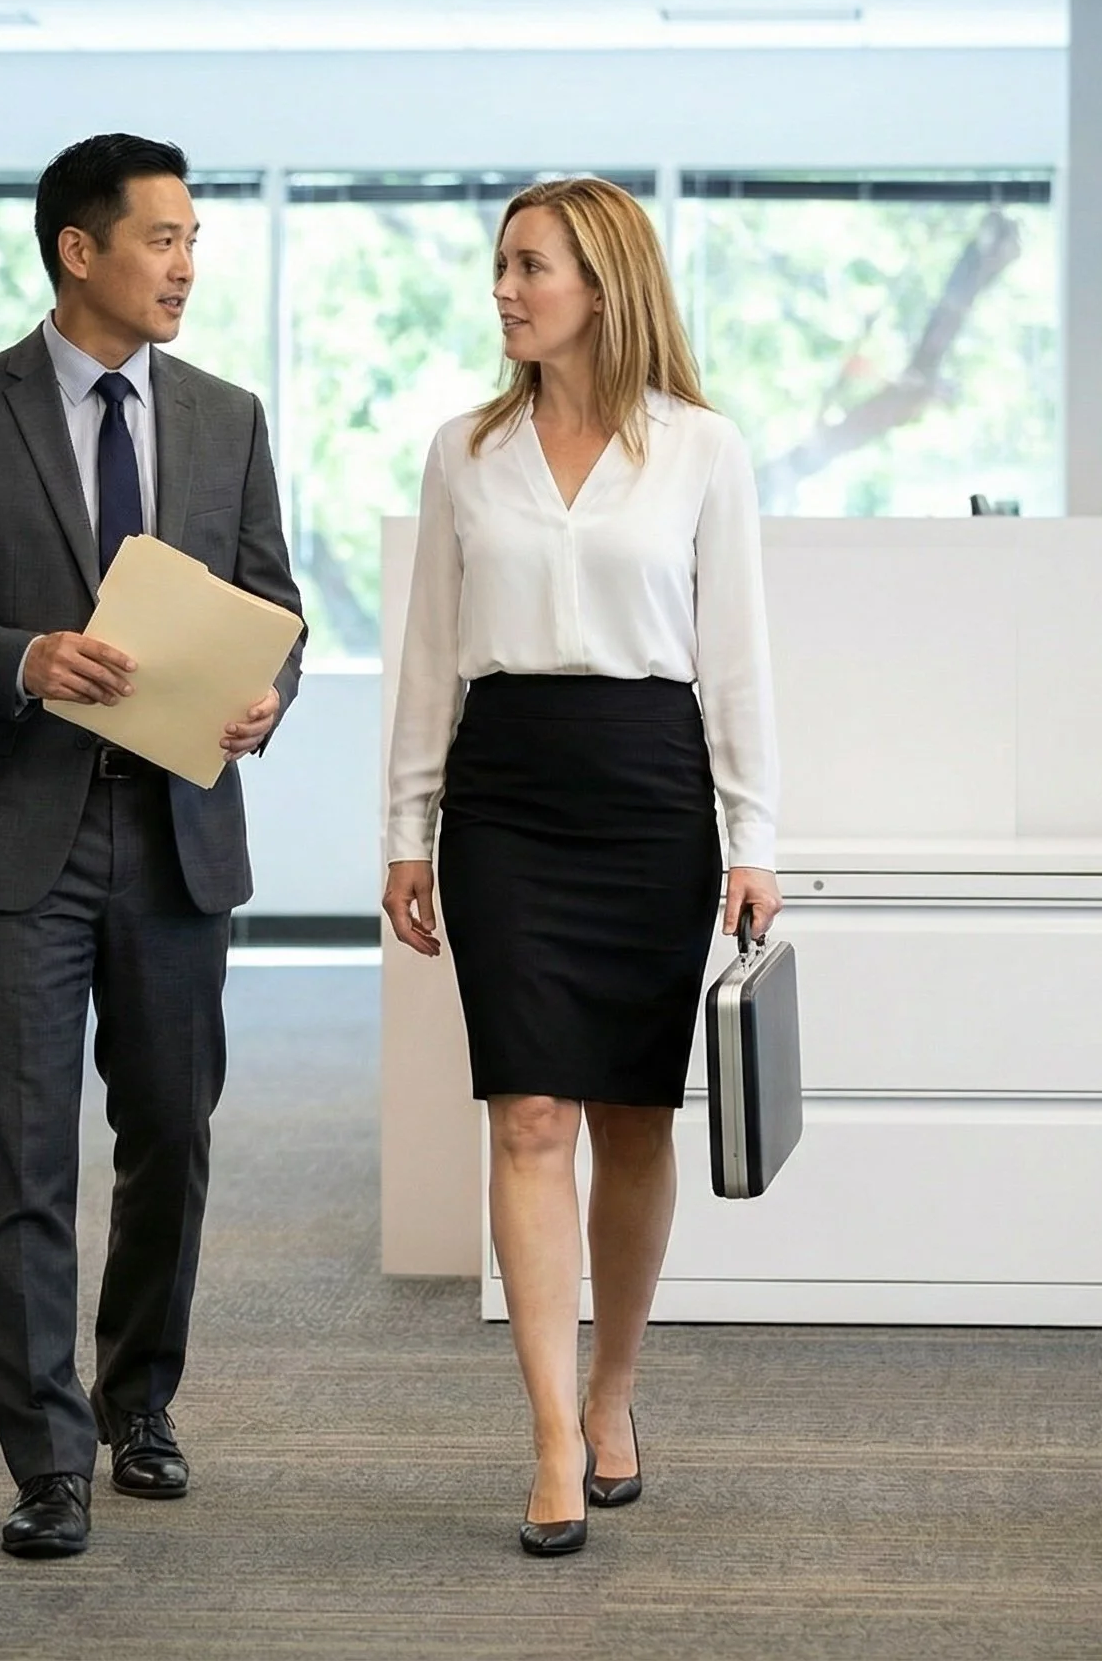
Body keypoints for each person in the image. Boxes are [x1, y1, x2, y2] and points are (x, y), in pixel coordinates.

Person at [0, 133, 304, 1560]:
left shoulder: (228, 418)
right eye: (162, 239)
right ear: (79, 249)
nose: (186, 264)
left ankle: (139, 1401)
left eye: (192, 242)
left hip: (177, 832)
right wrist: (25, 657)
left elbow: (275, 608)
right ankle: (47, 1458)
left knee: (170, 1135)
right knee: (23, 1158)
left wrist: (265, 701)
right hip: (15, 839)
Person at [381, 176, 781, 1557]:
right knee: (527, 1113)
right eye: (500, 266)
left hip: (648, 792)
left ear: (602, 287)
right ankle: (551, 1436)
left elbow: (734, 658)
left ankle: (616, 1392)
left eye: (529, 266)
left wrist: (757, 840)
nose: (503, 290)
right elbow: (431, 653)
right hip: (506, 796)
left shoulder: (701, 450)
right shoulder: (463, 452)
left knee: (630, 1117)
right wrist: (404, 827)